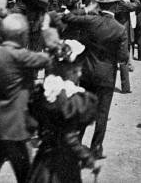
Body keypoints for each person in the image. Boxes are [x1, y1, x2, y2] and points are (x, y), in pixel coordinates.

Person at [0, 14, 51, 183]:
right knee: (25, 175)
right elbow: (46, 59)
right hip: (16, 127)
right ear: (22, 35)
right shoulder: (21, 56)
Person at [61, 0, 129, 159]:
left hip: (88, 71)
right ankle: (96, 147)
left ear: (99, 5)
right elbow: (123, 57)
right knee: (102, 113)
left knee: (84, 107)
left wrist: (86, 9)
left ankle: (75, 143)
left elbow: (67, 17)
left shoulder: (91, 20)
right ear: (114, 7)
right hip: (107, 74)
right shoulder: (120, 29)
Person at [27, 40, 98, 183]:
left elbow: (32, 125)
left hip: (43, 160)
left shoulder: (44, 93)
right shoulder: (74, 99)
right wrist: (86, 157)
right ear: (74, 70)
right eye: (78, 69)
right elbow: (68, 137)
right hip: (64, 165)